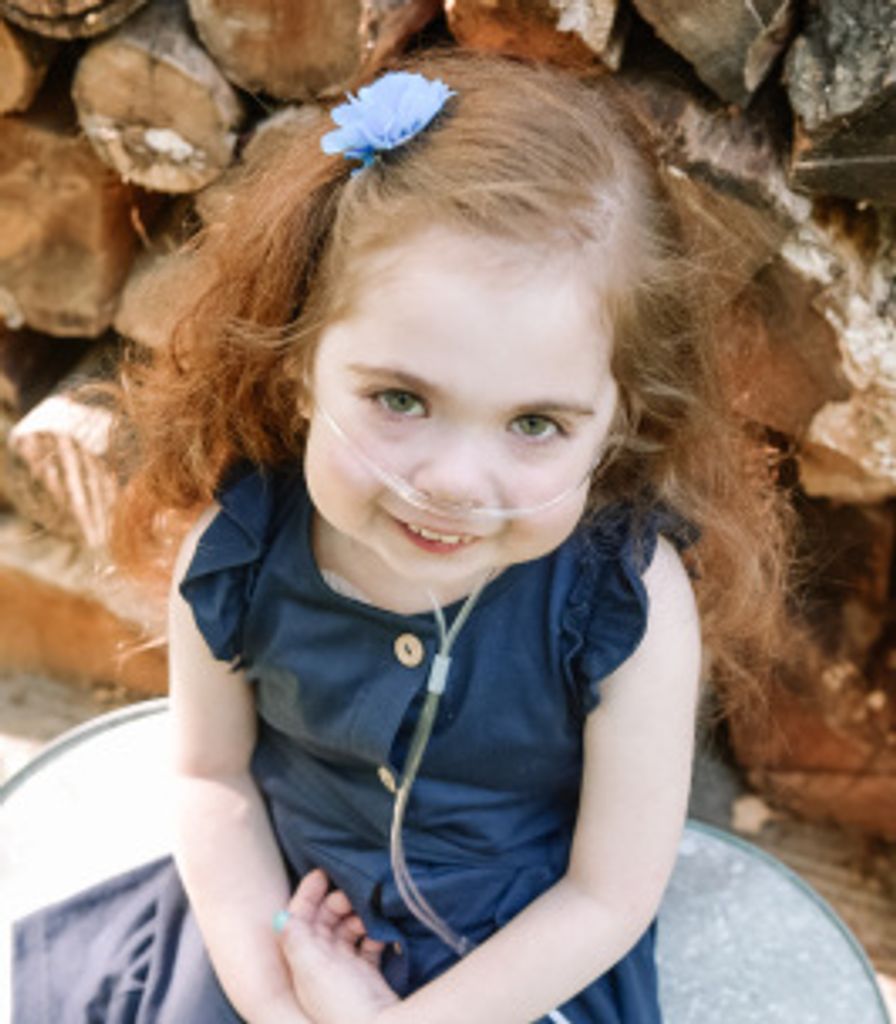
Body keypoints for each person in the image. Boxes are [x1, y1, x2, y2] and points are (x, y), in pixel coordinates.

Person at [13, 48, 794, 1024]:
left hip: (512, 974)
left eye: (534, 423)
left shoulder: (624, 607)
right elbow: (211, 781)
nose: (455, 482)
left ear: (618, 422)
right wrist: (276, 998)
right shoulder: (239, 555)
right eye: (399, 399)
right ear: (300, 364)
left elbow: (607, 896)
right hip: (273, 927)